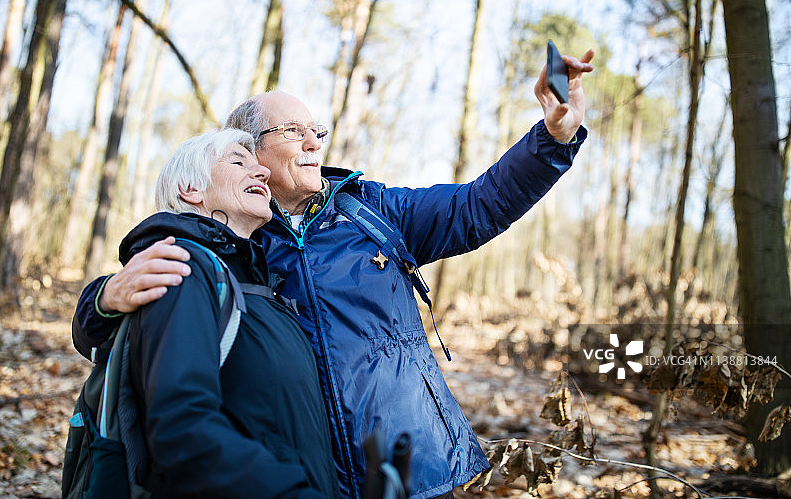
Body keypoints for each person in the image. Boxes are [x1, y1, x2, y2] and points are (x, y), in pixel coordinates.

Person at [72, 49, 595, 499]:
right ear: (249, 150)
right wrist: (101, 298)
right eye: (294, 131)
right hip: (307, 474)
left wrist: (551, 139)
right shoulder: (237, 240)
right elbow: (148, 314)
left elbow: (477, 206)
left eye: (316, 131)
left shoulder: (373, 210)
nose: (314, 143)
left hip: (409, 466)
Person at [114, 128, 339, 498]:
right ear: (191, 190)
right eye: (238, 162)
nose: (262, 172)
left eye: (258, 164)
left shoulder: (258, 283)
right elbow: (182, 428)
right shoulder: (181, 269)